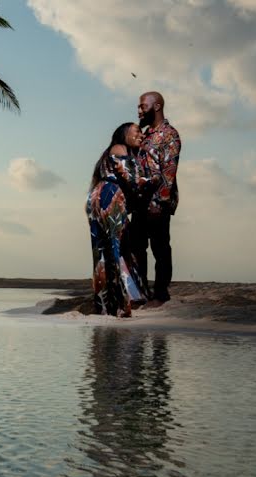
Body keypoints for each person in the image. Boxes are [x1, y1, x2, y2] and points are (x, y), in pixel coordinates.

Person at [86, 123, 160, 317]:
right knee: (118, 248)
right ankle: (123, 303)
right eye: (136, 132)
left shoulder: (108, 153)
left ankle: (104, 305)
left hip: (97, 198)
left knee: (102, 253)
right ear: (123, 134)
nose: (140, 136)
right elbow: (132, 179)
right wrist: (154, 179)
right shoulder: (120, 148)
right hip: (111, 196)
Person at [130, 91, 181, 305]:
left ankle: (161, 293)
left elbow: (169, 171)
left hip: (158, 203)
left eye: (143, 106)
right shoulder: (145, 135)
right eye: (139, 107)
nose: (139, 110)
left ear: (157, 107)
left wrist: (161, 202)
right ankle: (140, 291)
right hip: (140, 202)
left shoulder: (169, 134)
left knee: (160, 248)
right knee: (136, 247)